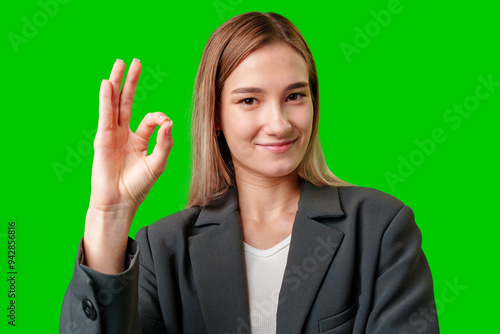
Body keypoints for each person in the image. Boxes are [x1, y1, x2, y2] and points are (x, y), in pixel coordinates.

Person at [60, 11, 439, 334]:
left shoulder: (380, 228)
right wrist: (108, 215)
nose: (278, 124)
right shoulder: (164, 250)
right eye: (249, 100)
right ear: (216, 117)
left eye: (294, 96)